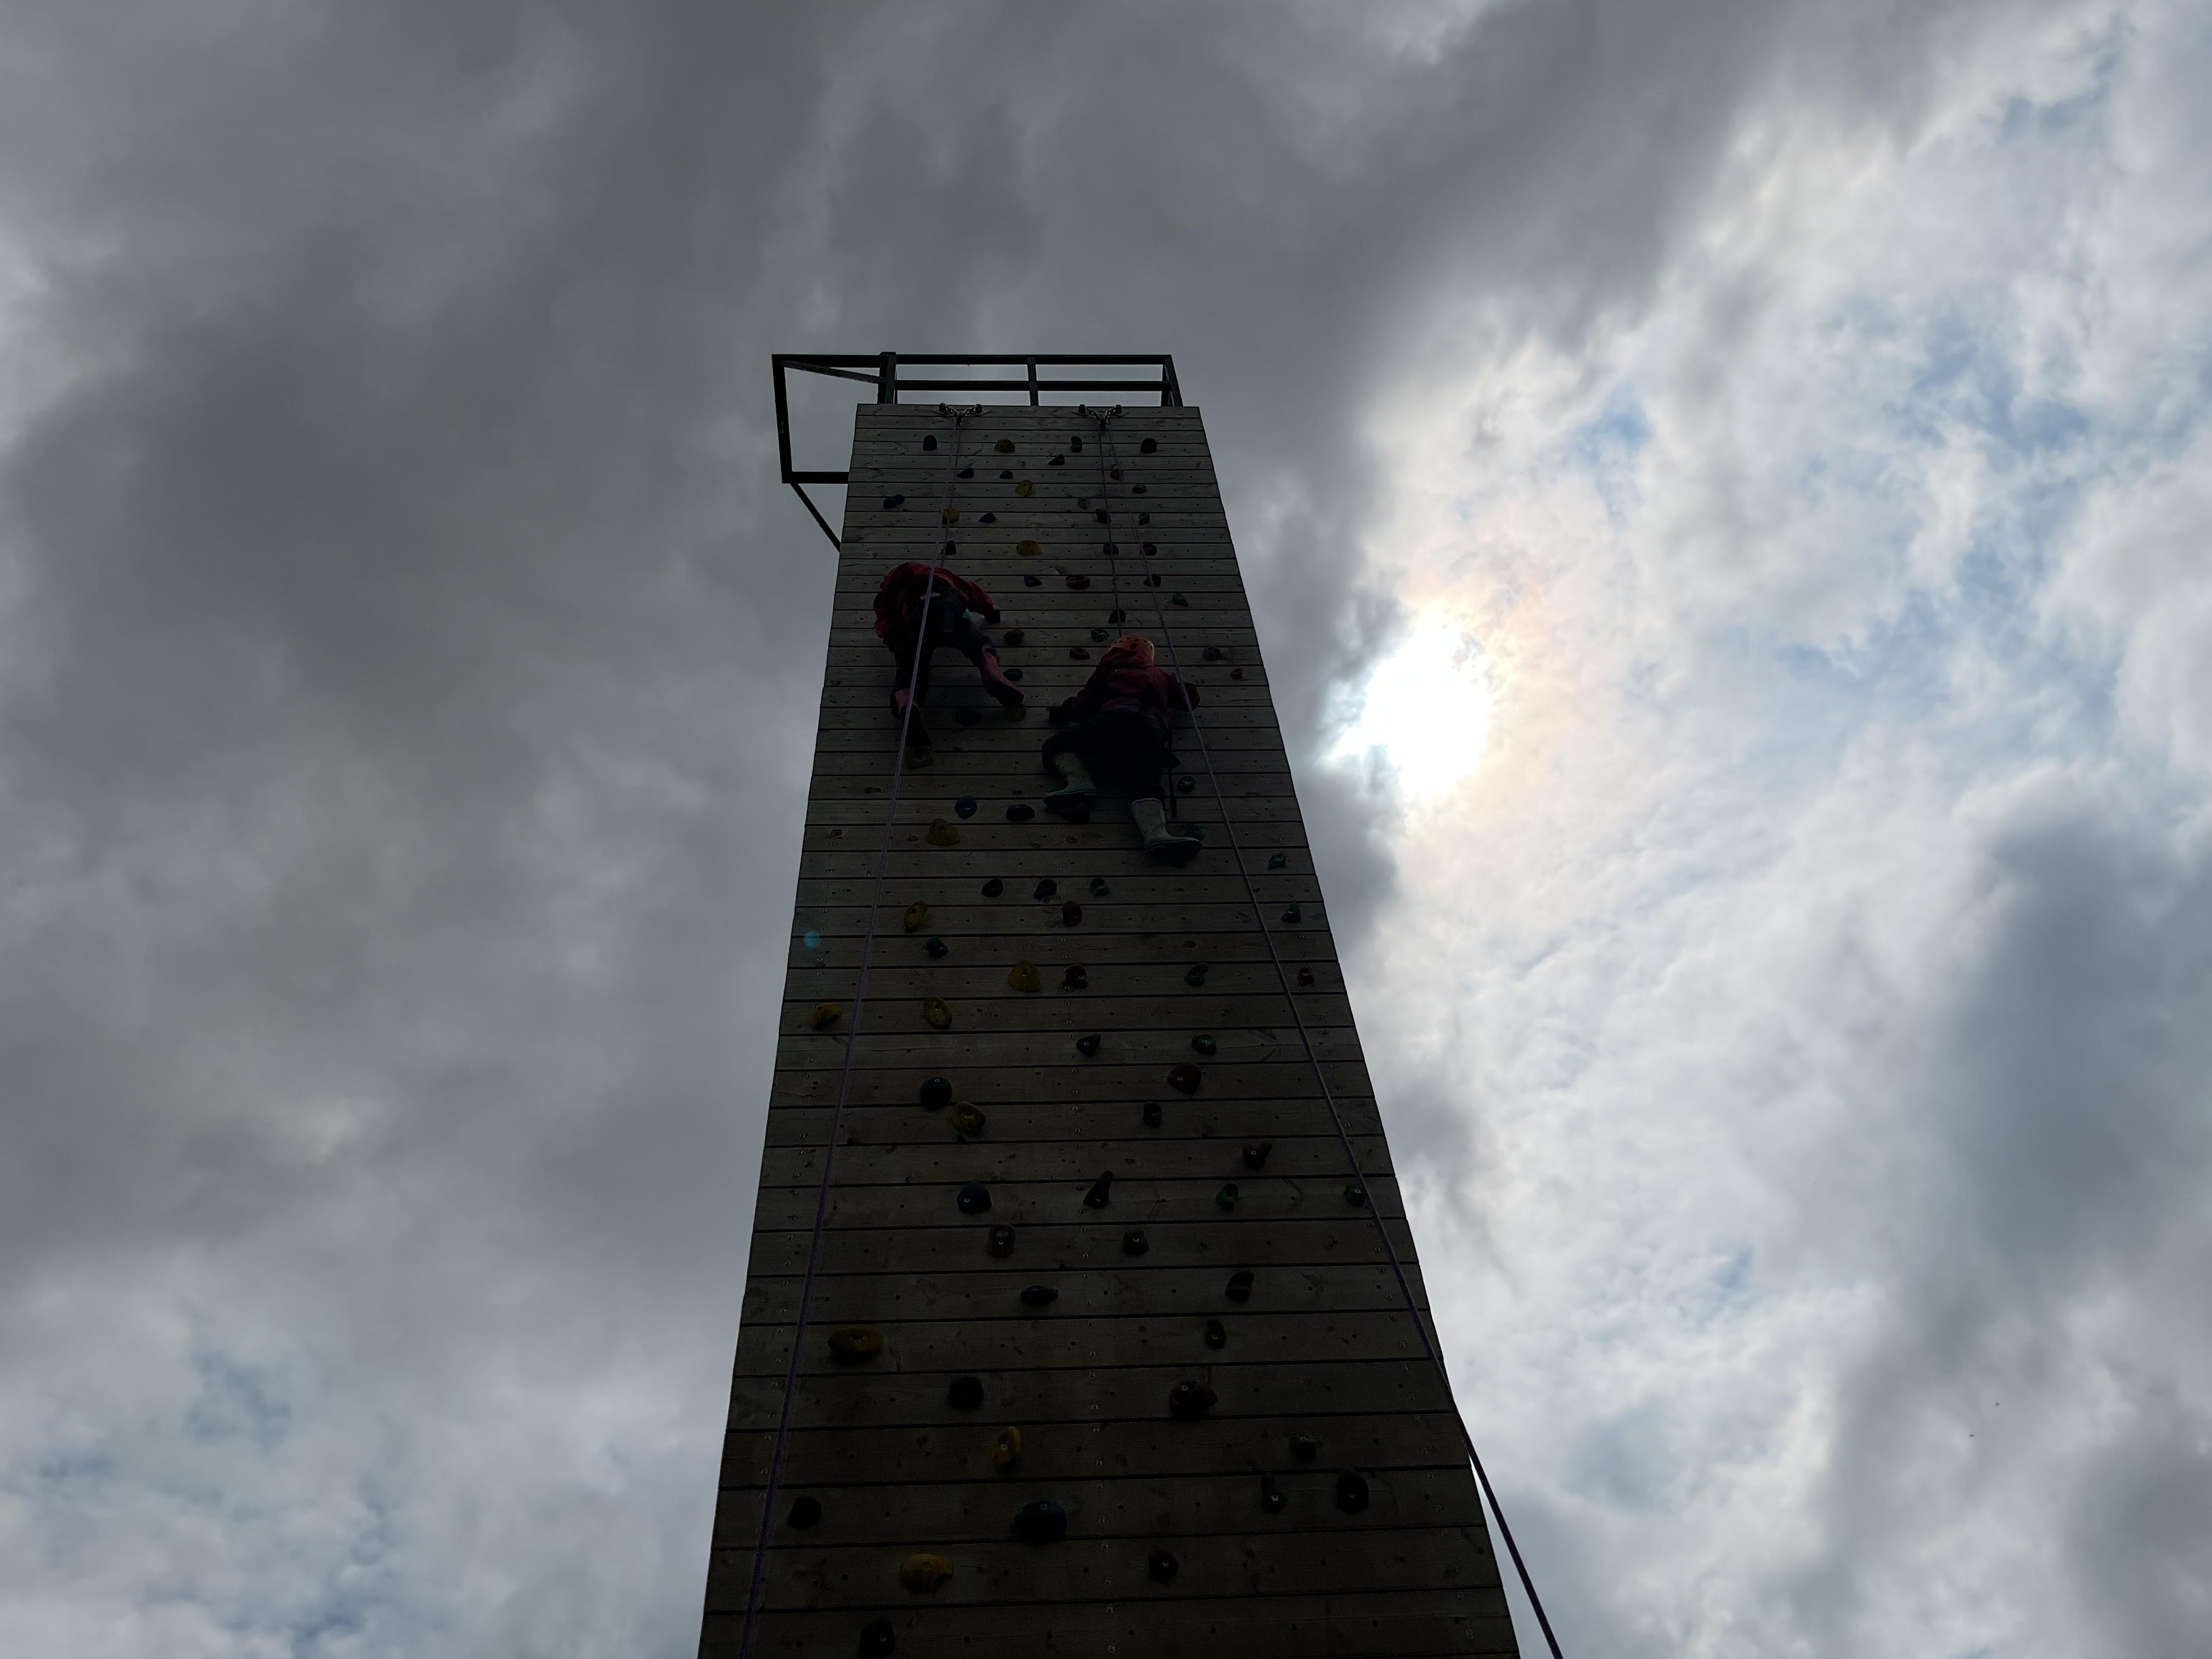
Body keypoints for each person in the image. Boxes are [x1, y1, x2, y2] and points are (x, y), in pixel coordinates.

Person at [1041, 635, 1201, 860]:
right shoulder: (1160, 675)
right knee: (1145, 779)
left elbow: (1084, 705)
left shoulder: (1109, 670)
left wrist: (1061, 713)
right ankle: (1156, 834)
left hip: (1116, 718)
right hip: (1150, 727)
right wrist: (1178, 684)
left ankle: (1079, 783)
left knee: (1058, 744)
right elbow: (1189, 699)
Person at [872, 560, 1022, 740]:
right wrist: (991, 611)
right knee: (974, 639)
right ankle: (990, 668)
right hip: (947, 603)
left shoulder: (890, 593)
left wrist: (898, 645)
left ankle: (907, 698)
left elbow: (887, 626)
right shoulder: (939, 575)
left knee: (911, 662)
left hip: (916, 614)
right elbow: (972, 592)